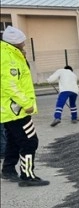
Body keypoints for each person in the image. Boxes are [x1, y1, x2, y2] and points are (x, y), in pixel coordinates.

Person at [0, 26, 50, 186]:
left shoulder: (11, 54)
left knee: (15, 140)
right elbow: (10, 85)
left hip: (10, 109)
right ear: (16, 42)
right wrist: (27, 104)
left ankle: (8, 170)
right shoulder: (8, 57)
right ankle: (27, 176)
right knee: (29, 141)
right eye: (22, 41)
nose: (24, 43)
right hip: (16, 110)